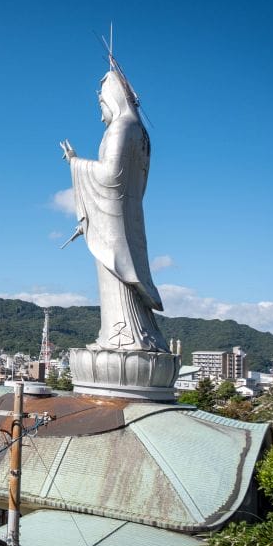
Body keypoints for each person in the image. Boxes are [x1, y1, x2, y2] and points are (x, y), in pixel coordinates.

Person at [60, 56, 169, 353]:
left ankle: (121, 337)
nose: (100, 117)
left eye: (101, 107)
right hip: (128, 216)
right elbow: (136, 183)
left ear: (112, 99)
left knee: (116, 274)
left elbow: (110, 175)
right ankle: (138, 335)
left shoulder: (121, 128)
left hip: (114, 220)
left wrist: (75, 163)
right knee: (124, 276)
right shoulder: (141, 133)